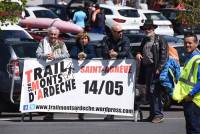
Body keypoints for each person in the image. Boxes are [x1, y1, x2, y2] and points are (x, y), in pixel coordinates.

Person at [136, 19, 168, 123]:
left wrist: (159, 68)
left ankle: (158, 115)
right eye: (145, 28)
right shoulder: (145, 40)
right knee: (149, 92)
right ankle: (152, 114)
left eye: (149, 28)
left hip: (155, 69)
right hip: (146, 69)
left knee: (154, 91)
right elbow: (139, 50)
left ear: (153, 28)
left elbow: (164, 55)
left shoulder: (160, 39)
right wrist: (138, 53)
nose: (147, 30)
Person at [36, 26, 70, 120]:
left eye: (55, 34)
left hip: (59, 70)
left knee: (57, 91)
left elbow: (66, 54)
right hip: (46, 71)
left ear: (58, 35)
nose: (53, 36)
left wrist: (55, 56)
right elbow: (38, 54)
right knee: (48, 92)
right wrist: (45, 56)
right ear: (48, 34)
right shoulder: (43, 42)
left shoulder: (61, 43)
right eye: (51, 34)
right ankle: (49, 113)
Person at [102, 24, 133, 120]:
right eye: (118, 32)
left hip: (125, 68)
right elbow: (103, 51)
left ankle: (133, 110)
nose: (121, 33)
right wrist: (109, 53)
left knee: (127, 90)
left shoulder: (125, 39)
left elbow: (126, 52)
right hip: (111, 69)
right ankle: (110, 113)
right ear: (113, 32)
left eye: (121, 31)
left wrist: (116, 53)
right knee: (111, 91)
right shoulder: (106, 39)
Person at [173, 33, 200, 134]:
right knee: (190, 129)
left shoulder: (197, 59)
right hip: (188, 99)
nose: (187, 45)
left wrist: (191, 94)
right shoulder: (190, 57)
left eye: (190, 43)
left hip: (194, 100)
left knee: (194, 130)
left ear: (196, 44)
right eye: (185, 43)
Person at [70, 32, 96, 120]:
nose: (83, 40)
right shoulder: (75, 47)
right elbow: (72, 54)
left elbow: (93, 55)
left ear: (88, 40)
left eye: (85, 38)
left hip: (87, 75)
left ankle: (83, 111)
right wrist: (78, 56)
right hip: (77, 74)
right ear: (79, 40)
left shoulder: (90, 46)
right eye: (82, 39)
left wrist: (86, 55)